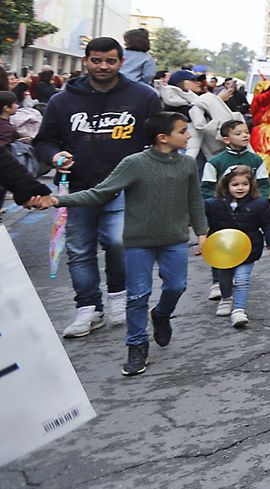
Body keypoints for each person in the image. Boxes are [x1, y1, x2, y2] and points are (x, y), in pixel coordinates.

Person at [39, 110, 207, 377]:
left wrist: (202, 231)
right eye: (182, 131)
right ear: (163, 138)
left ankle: (162, 314)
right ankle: (136, 345)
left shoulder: (187, 164)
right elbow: (99, 193)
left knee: (177, 286)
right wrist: (58, 200)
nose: (188, 135)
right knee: (137, 296)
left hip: (174, 239)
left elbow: (194, 200)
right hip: (139, 242)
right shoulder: (134, 163)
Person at [33, 37, 163, 337]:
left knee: (118, 241)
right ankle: (88, 309)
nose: (103, 66)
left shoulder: (143, 96)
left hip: (125, 187)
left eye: (110, 60)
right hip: (77, 190)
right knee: (79, 249)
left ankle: (118, 295)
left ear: (120, 62)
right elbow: (44, 141)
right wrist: (54, 156)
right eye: (96, 60)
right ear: (86, 61)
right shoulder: (62, 100)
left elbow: (159, 138)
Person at [203, 165, 270, 329]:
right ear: (226, 185)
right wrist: (203, 241)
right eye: (235, 184)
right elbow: (204, 224)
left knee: (241, 279)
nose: (240, 188)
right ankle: (226, 298)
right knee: (224, 278)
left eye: (244, 184)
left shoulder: (259, 204)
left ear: (251, 185)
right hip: (223, 251)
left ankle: (239, 310)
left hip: (248, 248)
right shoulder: (213, 204)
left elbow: (269, 223)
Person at [169, 70, 236, 160]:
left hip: (205, 150)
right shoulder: (172, 101)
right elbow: (188, 113)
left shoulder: (198, 98)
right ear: (180, 84)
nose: (198, 83)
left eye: (199, 80)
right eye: (193, 80)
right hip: (185, 150)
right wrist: (218, 99)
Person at [201, 118, 268, 199]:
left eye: (247, 132)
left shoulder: (257, 160)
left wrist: (259, 202)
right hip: (223, 206)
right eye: (238, 133)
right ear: (226, 140)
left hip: (251, 206)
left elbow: (264, 185)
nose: (245, 135)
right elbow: (207, 188)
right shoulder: (214, 163)